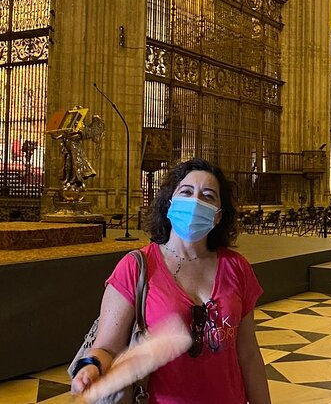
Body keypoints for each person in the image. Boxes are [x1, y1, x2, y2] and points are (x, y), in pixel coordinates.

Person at [71, 157, 271, 404]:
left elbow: (248, 354)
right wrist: (91, 366)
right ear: (170, 204)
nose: (195, 201)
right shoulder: (135, 266)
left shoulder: (236, 267)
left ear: (218, 216)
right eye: (186, 192)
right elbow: (106, 349)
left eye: (208, 196)